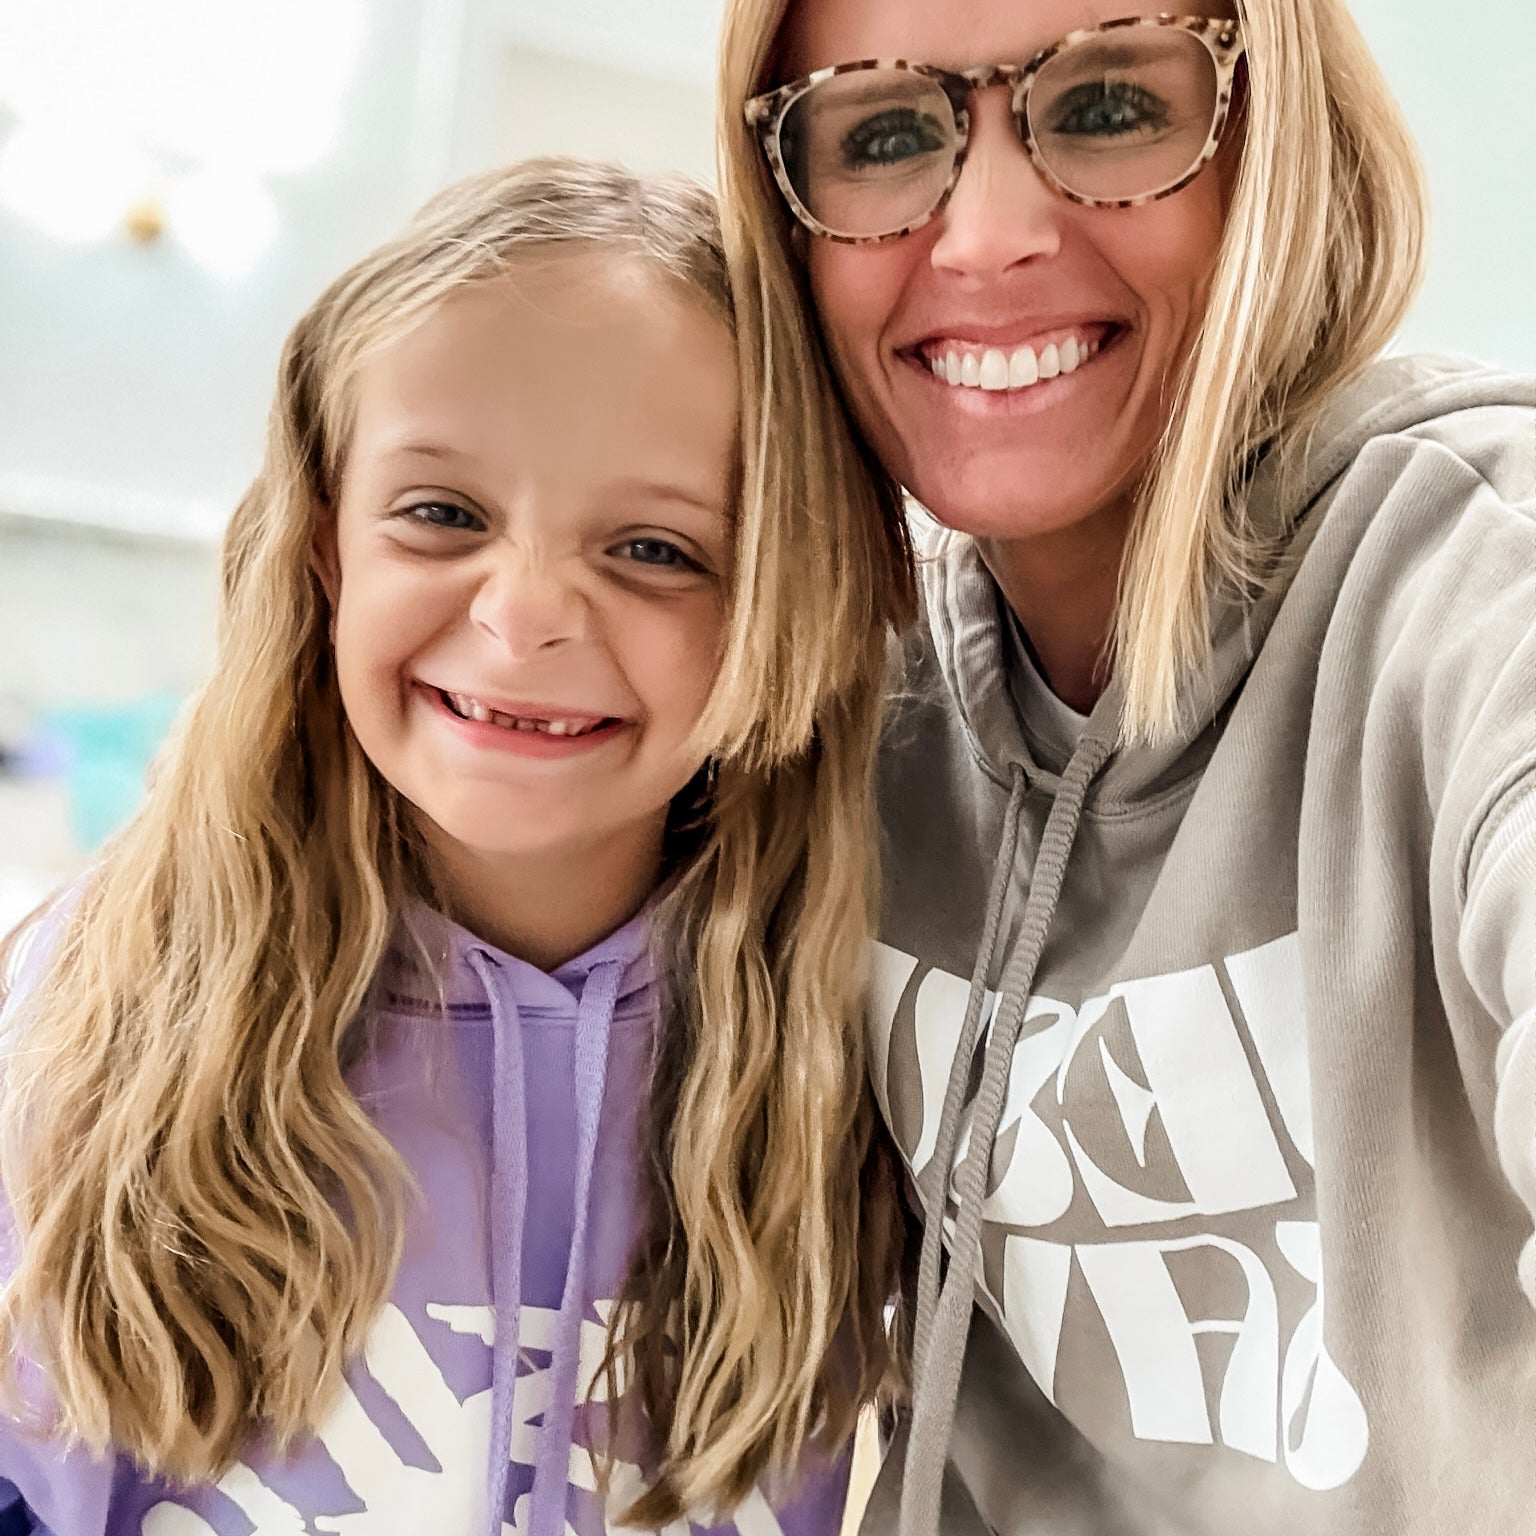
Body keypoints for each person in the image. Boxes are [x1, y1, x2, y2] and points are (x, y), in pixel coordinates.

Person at [0, 158, 913, 1536]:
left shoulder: (865, 1055)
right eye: (441, 515)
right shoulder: (89, 1010)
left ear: (785, 604)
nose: (525, 615)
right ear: (324, 551)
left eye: (659, 548)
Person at [718, 0, 1536, 1532]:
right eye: (882, 136)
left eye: (1106, 109)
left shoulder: (1475, 592)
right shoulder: (840, 723)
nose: (986, 236)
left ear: (1275, 145)